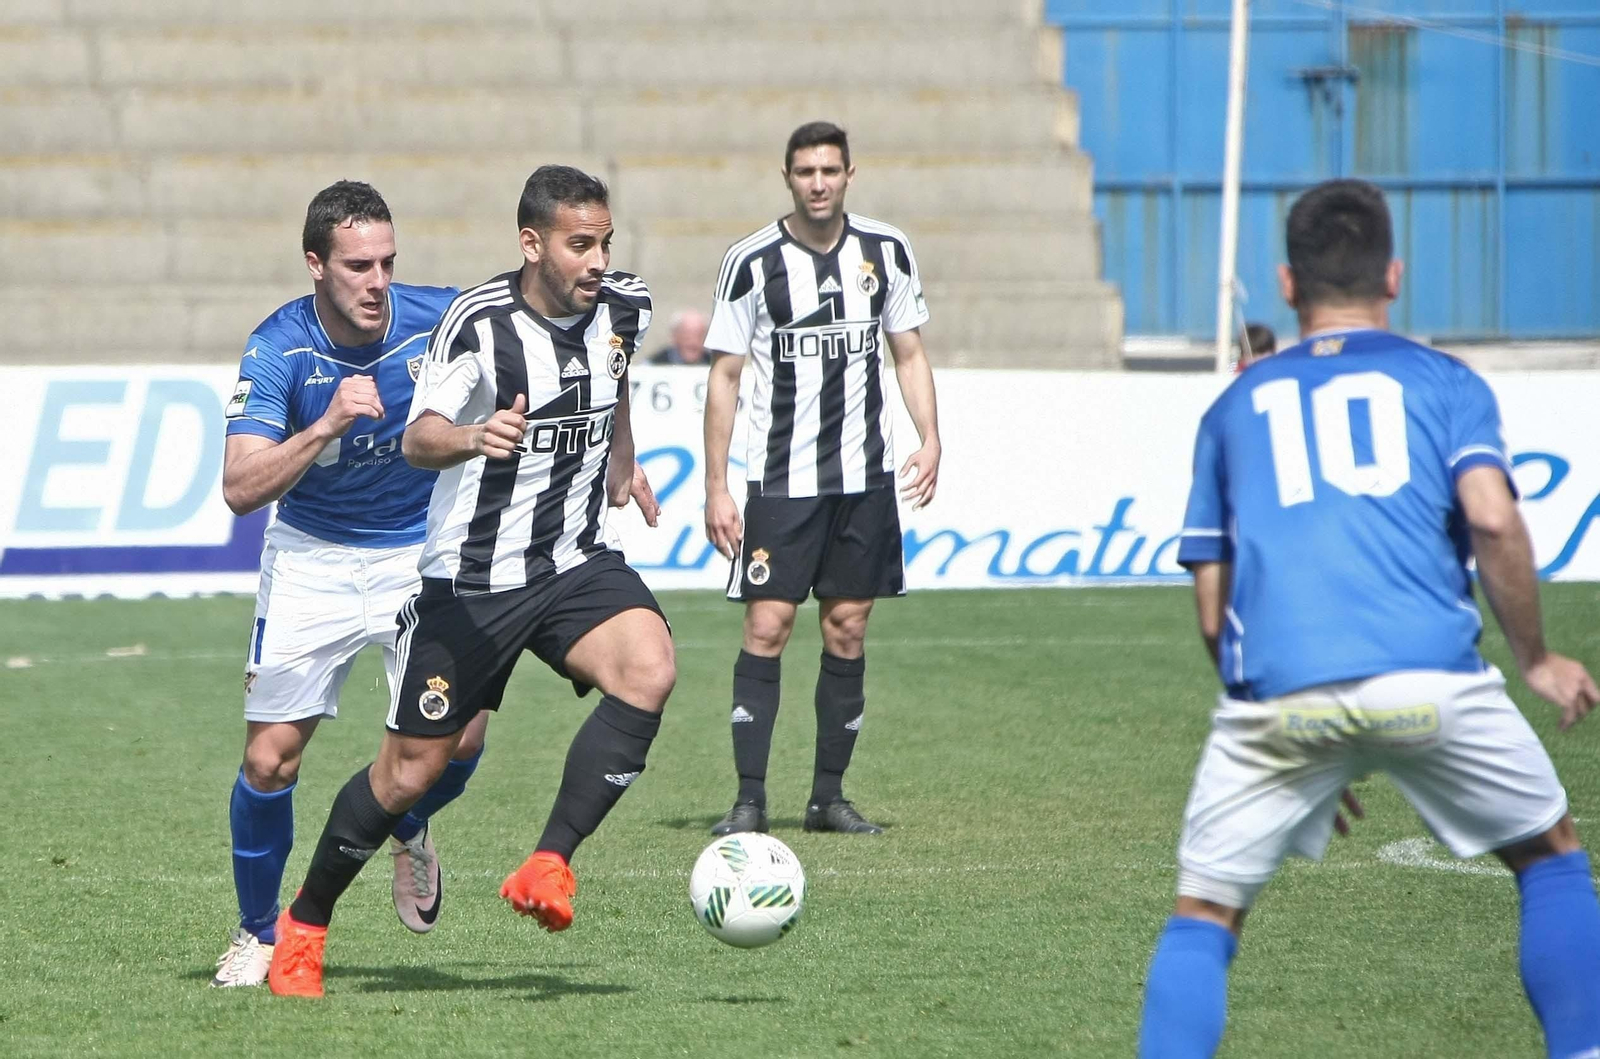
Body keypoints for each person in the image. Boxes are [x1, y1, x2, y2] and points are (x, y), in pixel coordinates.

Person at [1138, 178, 1600, 1058]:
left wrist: (1301, 726)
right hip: (1433, 679)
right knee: (1550, 857)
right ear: (1394, 274)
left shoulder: (1234, 405)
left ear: (1287, 284)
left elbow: (1211, 601)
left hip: (1282, 698)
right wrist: (1537, 658)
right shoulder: (1446, 382)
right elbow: (1493, 516)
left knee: (1204, 914)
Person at [268, 165, 668, 999]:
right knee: (407, 775)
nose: (598, 260)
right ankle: (304, 925)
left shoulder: (624, 304)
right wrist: (477, 434)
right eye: (580, 244)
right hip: (473, 580)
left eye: (604, 242)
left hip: (573, 559)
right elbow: (420, 438)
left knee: (649, 668)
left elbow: (618, 372)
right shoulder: (479, 324)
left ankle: (549, 861)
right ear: (533, 243)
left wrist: (621, 457)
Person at [213, 181, 491, 987]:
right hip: (312, 557)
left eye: (387, 263)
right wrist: (327, 423)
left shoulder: (440, 320)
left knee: (462, 738)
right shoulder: (278, 348)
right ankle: (259, 933)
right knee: (270, 760)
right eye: (358, 266)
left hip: (419, 554)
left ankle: (406, 820)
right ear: (315, 264)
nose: (378, 282)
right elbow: (239, 488)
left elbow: (539, 347)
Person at [701, 121, 942, 837]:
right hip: (781, 479)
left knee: (848, 625)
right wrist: (717, 486)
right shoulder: (751, 261)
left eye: (829, 170)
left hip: (864, 478)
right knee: (767, 624)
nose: (817, 183)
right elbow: (725, 377)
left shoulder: (886, 250)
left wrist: (931, 438)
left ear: (848, 175)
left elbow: (908, 353)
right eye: (805, 171)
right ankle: (749, 799)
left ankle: (827, 799)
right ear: (788, 178)